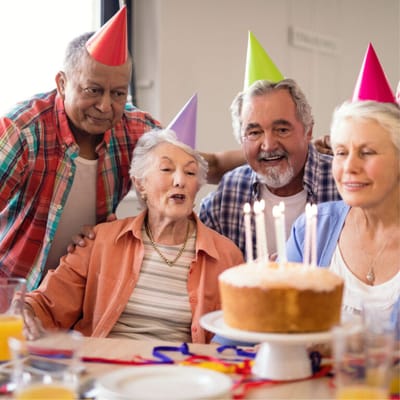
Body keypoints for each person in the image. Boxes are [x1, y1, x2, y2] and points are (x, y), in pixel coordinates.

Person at [0, 8, 244, 290]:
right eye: (93, 90)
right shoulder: (22, 131)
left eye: (117, 93)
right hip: (12, 290)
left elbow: (201, 165)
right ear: (62, 83)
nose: (105, 106)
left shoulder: (134, 129)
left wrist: (266, 152)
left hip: (82, 288)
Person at [21, 129, 244, 343]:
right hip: (107, 366)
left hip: (181, 373)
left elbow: (235, 333)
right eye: (166, 169)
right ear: (140, 183)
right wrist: (25, 310)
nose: (180, 181)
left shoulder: (226, 256)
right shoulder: (100, 241)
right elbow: (46, 304)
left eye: (190, 172)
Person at [199, 78, 341, 259]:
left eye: (282, 130)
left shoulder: (342, 184)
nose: (268, 145)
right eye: (254, 132)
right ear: (241, 139)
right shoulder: (226, 196)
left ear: (308, 131)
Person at [286, 100, 400, 322]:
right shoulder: (311, 228)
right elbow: (272, 319)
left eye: (367, 152)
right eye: (341, 152)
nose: (349, 167)